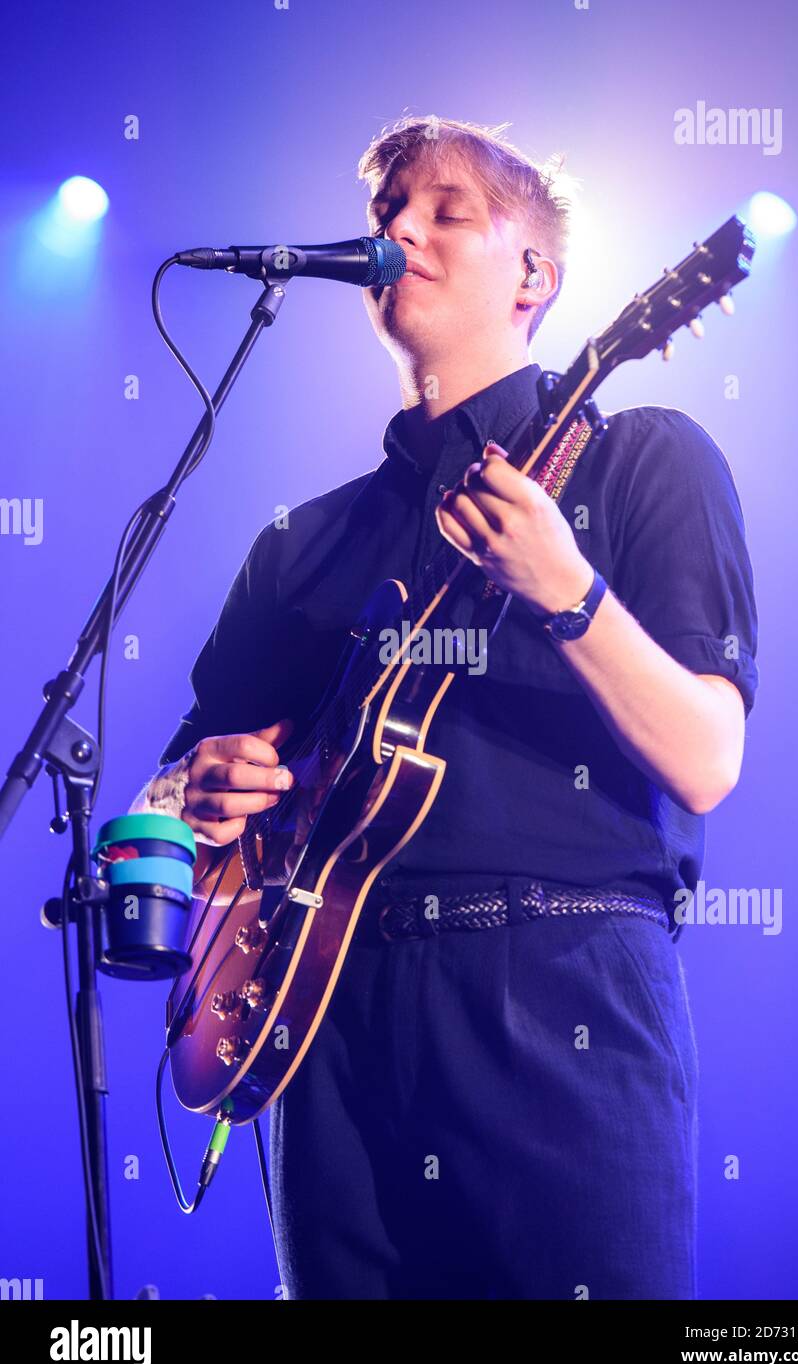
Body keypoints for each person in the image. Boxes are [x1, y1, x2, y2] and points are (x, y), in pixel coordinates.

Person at [131, 115, 759, 1299]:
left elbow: (705, 757)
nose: (396, 231)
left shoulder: (641, 461)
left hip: (557, 991)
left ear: (535, 274)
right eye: (384, 212)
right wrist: (194, 797)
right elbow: (168, 802)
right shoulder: (302, 542)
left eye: (443, 211)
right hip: (325, 1015)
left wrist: (565, 590)